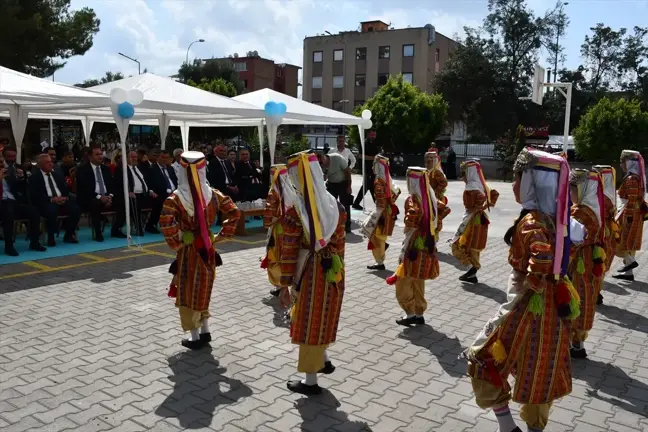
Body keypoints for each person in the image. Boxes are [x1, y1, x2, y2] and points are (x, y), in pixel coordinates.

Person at [462, 148, 577, 432]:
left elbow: (541, 258)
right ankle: (533, 428)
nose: (513, 185)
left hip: (527, 306)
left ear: (531, 183)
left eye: (517, 178)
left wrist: (530, 286)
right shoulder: (559, 219)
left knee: (482, 358)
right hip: (554, 311)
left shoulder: (532, 221)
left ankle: (506, 425)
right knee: (541, 372)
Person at [279, 150, 346, 395]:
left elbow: (288, 251)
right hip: (333, 269)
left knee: (308, 322)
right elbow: (340, 243)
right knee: (323, 316)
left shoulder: (297, 212)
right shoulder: (333, 204)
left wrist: (284, 285)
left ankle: (310, 380)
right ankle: (324, 358)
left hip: (308, 273)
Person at [159, 151, 240, 349]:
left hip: (190, 251)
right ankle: (205, 330)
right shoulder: (213, 194)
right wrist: (222, 235)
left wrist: (179, 239)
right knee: (203, 288)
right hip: (208, 247)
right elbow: (234, 211)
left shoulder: (175, 199)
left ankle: (195, 337)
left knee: (189, 291)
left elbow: (166, 223)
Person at [385, 167, 439, 326]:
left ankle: (409, 313)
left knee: (403, 281)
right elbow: (441, 212)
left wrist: (411, 224)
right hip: (426, 244)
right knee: (418, 280)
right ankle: (419, 312)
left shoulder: (413, 199)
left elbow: (411, 218)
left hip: (413, 246)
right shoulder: (430, 197)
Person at [567, 168, 606, 359]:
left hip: (578, 261)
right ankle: (578, 344)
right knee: (586, 295)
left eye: (572, 189)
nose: (570, 193)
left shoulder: (580, 212)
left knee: (575, 295)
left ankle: (573, 342)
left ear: (583, 190)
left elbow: (572, 240)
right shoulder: (595, 208)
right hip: (590, 259)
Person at [450, 159, 499, 284]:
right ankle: (472, 274)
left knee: (457, 244)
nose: (463, 177)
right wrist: (484, 205)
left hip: (472, 221)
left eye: (464, 174)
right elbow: (494, 194)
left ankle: (471, 268)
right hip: (481, 220)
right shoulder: (483, 186)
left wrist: (478, 206)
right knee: (474, 247)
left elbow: (472, 204)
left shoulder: (470, 188)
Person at [261, 164, 296, 306]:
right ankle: (288, 284)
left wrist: (268, 222)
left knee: (276, 255)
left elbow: (269, 213)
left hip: (279, 229)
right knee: (289, 255)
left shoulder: (274, 191)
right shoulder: (294, 188)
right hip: (292, 229)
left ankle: (281, 286)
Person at [1, 147, 46, 256]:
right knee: (8, 212)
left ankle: (34, 242)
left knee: (33, 211)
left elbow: (24, 188)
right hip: (2, 201)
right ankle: (9, 245)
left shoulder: (17, 168)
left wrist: (21, 178)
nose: (12, 159)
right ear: (3, 157)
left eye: (13, 157)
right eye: (9, 157)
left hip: (14, 200)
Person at [29, 153, 80, 246]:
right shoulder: (35, 177)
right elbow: (36, 195)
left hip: (61, 199)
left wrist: (65, 197)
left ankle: (68, 235)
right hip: (47, 201)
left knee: (75, 209)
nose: (50, 164)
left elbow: (65, 190)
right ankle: (51, 237)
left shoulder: (57, 175)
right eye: (47, 162)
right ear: (40, 165)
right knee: (51, 210)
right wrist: (52, 200)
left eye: (51, 162)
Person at [361, 154, 400, 271]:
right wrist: (390, 202)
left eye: (374, 164)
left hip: (381, 213)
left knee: (376, 237)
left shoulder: (378, 181)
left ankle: (380, 262)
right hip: (388, 212)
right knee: (380, 236)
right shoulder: (388, 179)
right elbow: (397, 192)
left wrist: (377, 212)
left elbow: (380, 202)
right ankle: (381, 256)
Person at [613, 149, 646, 282]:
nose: (621, 164)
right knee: (629, 242)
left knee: (624, 240)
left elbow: (632, 199)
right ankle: (629, 273)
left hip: (630, 213)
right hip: (634, 213)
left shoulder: (632, 178)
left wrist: (629, 216)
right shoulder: (636, 177)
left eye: (623, 161)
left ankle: (631, 262)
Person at [76, 145, 116, 242]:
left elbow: (112, 185)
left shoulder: (106, 169)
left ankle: (116, 230)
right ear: (90, 157)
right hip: (90, 197)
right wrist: (100, 197)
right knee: (95, 203)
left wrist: (110, 196)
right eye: (97, 154)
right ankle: (98, 233)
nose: (100, 156)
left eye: (101, 154)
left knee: (122, 201)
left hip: (106, 196)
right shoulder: (83, 169)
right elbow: (84, 188)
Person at [114, 150, 157, 237]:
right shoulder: (121, 169)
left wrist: (151, 190)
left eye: (135, 157)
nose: (134, 159)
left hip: (144, 193)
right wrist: (128, 192)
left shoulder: (140, 168)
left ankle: (151, 224)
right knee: (134, 202)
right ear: (126, 158)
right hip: (130, 195)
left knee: (159, 200)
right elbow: (118, 184)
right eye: (132, 157)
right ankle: (138, 227)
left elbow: (146, 181)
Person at [593, 165, 618, 305]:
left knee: (596, 263)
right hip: (608, 233)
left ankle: (596, 293)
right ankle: (598, 291)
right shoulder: (610, 194)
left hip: (601, 233)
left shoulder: (602, 197)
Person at [145, 148, 178, 234]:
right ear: (158, 157)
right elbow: (150, 183)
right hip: (160, 193)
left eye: (166, 157)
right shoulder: (152, 169)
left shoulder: (170, 168)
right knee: (160, 201)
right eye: (163, 157)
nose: (165, 159)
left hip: (173, 192)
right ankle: (151, 224)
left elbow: (175, 181)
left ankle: (178, 223)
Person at [320, 151, 352, 232]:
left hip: (342, 183)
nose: (321, 164)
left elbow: (348, 172)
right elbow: (323, 178)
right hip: (331, 184)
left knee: (345, 205)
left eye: (321, 162)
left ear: (324, 157)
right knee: (329, 204)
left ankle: (347, 226)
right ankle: (331, 225)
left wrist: (349, 186)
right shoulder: (321, 165)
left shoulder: (337, 158)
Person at [425, 151, 451, 237]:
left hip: (435, 199)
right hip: (427, 198)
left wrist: (434, 193)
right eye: (426, 159)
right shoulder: (426, 171)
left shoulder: (437, 172)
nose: (428, 161)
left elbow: (444, 183)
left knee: (436, 218)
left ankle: (434, 240)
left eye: (430, 159)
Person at [352, 134, 378, 210]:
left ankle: (356, 203)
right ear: (368, 134)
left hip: (373, 168)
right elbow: (360, 156)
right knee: (368, 185)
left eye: (374, 135)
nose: (373, 136)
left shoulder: (374, 143)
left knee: (369, 185)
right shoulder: (364, 143)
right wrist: (373, 158)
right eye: (372, 134)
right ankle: (377, 203)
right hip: (366, 168)